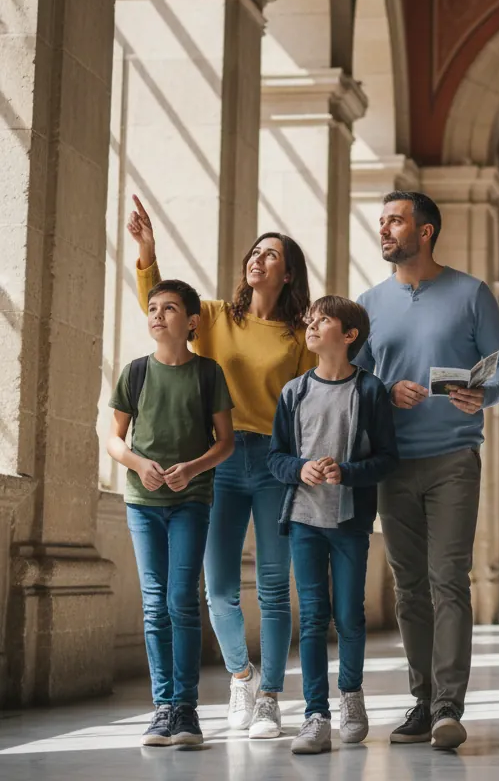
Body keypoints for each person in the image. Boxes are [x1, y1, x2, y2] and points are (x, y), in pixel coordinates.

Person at [128, 196, 316, 739]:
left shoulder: (298, 336)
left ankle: (272, 698)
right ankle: (241, 674)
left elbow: (306, 405)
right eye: (254, 251)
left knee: (276, 587)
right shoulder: (211, 317)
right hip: (222, 462)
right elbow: (160, 308)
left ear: (288, 272)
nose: (257, 258)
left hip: (278, 462)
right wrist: (147, 253)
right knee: (220, 589)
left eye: (271, 253)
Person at [354, 191, 499, 750]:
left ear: (425, 232)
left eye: (395, 221)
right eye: (381, 222)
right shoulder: (368, 302)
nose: (385, 230)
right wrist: (381, 390)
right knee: (409, 589)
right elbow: (349, 383)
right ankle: (421, 702)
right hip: (391, 464)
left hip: (453, 457)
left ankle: (449, 706)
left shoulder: (471, 293)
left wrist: (484, 392)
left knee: (449, 580)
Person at [267, 295, 399, 754]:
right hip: (303, 519)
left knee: (349, 614)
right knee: (312, 617)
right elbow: (276, 458)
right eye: (311, 318)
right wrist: (300, 469)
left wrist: (347, 472)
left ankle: (352, 696)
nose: (312, 324)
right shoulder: (293, 392)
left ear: (348, 336)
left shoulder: (370, 391)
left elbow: (387, 458)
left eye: (324, 320)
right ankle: (315, 715)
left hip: (348, 521)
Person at [106, 279, 235, 747]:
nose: (157, 315)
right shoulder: (134, 372)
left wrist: (192, 468)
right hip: (143, 503)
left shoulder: (208, 373)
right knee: (154, 601)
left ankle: (187, 709)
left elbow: (226, 443)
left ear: (192, 322)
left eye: (170, 308)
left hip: (191, 501)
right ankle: (163, 708)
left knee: (182, 599)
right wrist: (140, 464)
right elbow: (114, 439)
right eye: (153, 308)